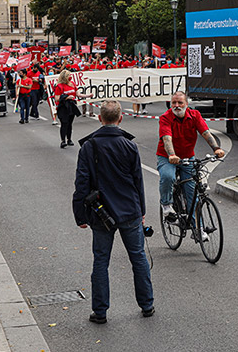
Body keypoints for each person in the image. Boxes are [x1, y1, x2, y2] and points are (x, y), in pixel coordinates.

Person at [72, 100, 153, 324]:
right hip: (129, 211)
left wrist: (80, 215)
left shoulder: (89, 146)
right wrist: (142, 210)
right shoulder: (129, 146)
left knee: (101, 261)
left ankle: (100, 311)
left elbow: (81, 183)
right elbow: (138, 181)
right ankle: (147, 304)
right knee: (138, 258)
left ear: (99, 118)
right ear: (120, 118)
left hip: (101, 213)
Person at [157, 92, 224, 231]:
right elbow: (166, 138)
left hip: (187, 156)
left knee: (192, 192)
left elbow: (205, 132)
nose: (176, 105)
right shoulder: (165, 117)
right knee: (168, 176)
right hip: (168, 156)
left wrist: (216, 149)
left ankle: (197, 228)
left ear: (186, 104)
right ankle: (167, 205)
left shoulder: (195, 115)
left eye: (180, 103)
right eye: (174, 103)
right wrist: (171, 155)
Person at [53, 70, 80, 148]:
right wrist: (67, 97)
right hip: (63, 107)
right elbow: (57, 98)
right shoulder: (59, 86)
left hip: (71, 106)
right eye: (69, 75)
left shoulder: (72, 84)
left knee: (70, 124)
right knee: (64, 123)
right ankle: (63, 141)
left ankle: (69, 139)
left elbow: (78, 94)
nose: (70, 77)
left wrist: (88, 95)